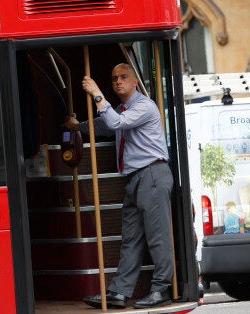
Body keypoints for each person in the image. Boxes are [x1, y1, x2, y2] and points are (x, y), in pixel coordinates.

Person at [64, 63, 174, 309]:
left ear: (135, 82)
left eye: (123, 77)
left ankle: (161, 289)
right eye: (114, 78)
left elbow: (115, 124)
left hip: (152, 174)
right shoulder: (120, 109)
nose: (118, 82)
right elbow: (105, 124)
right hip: (136, 177)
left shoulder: (144, 106)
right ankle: (119, 292)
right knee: (131, 239)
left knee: (157, 236)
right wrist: (78, 127)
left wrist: (96, 93)